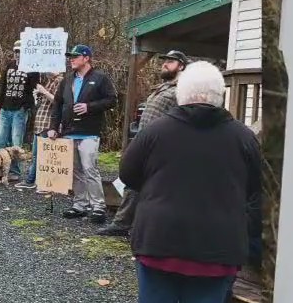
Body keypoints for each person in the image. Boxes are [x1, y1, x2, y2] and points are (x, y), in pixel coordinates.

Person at [117, 61, 262, 303]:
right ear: (220, 97)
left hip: (159, 241)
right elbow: (257, 189)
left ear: (182, 94)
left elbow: (128, 173)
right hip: (217, 247)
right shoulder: (243, 137)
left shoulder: (156, 132)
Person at [98, 49, 188, 237]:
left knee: (144, 185)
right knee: (133, 182)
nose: (164, 64)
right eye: (165, 60)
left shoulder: (183, 89)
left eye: (170, 61)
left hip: (163, 146)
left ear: (181, 66)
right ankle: (125, 224)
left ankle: (128, 224)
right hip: (145, 143)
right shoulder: (164, 87)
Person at [47, 45, 117, 224]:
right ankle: (79, 205)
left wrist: (89, 107)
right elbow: (57, 104)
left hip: (89, 132)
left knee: (90, 169)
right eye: (70, 56)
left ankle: (98, 207)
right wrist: (53, 126)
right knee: (76, 171)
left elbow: (112, 100)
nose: (71, 59)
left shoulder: (100, 78)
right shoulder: (67, 80)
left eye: (75, 56)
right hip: (69, 132)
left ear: (86, 58)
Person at [0, 40, 38, 183]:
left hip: (19, 110)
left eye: (20, 51)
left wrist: (25, 107)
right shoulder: (10, 66)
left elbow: (34, 90)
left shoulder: (32, 68)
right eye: (16, 51)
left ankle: (14, 172)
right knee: (0, 141)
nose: (17, 54)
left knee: (15, 142)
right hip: (6, 108)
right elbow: (3, 86)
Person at [17, 70, 62, 190]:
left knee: (44, 156)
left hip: (48, 123)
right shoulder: (49, 81)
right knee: (37, 155)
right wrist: (38, 94)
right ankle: (33, 180)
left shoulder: (60, 81)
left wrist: (44, 91)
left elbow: (58, 101)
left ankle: (40, 182)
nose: (45, 71)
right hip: (40, 123)